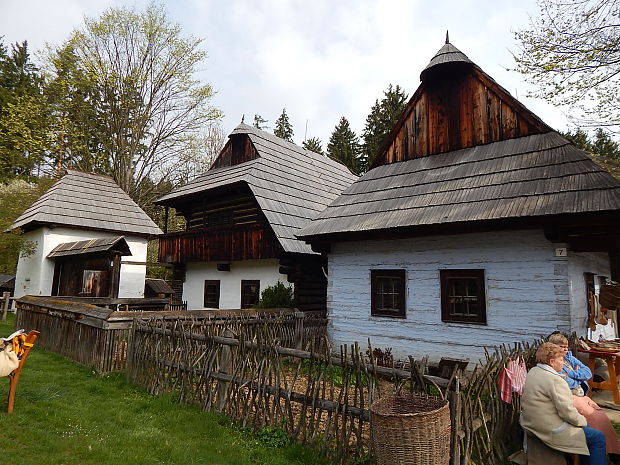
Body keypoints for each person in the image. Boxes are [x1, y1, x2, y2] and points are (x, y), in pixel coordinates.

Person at [521, 342, 607, 465]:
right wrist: (583, 421)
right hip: (549, 429)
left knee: (588, 431)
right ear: (551, 362)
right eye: (561, 359)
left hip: (531, 423)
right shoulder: (555, 380)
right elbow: (567, 412)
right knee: (597, 437)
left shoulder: (533, 371)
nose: (563, 362)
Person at [548, 332, 620, 457]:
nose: (566, 349)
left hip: (581, 395)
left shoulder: (569, 357)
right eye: (562, 347)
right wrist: (578, 378)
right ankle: (605, 450)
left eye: (566, 347)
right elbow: (567, 384)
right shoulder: (553, 362)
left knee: (600, 415)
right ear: (554, 347)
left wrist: (572, 374)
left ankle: (612, 450)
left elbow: (588, 372)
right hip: (570, 397)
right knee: (593, 417)